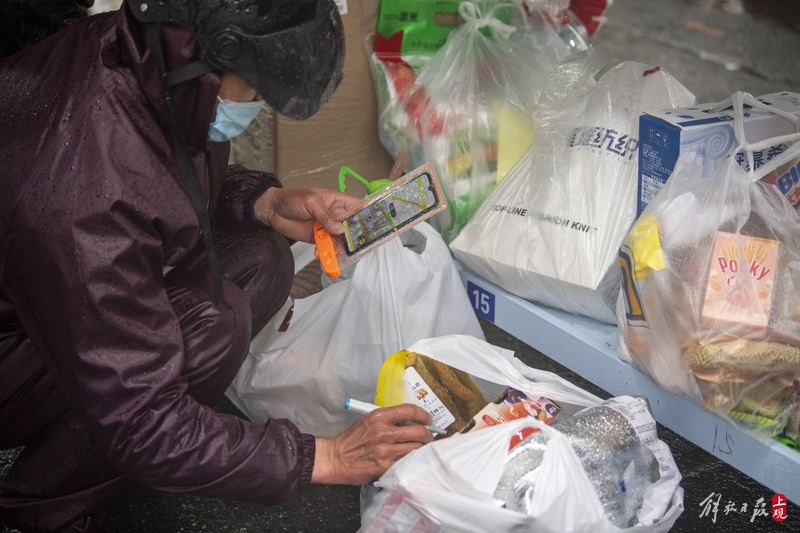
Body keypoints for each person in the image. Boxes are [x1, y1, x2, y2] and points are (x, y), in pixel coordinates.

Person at [0, 1, 434, 531]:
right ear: (211, 57)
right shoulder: (81, 187)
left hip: (45, 289)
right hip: (16, 341)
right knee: (215, 323)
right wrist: (327, 457)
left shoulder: (140, 52)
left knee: (261, 258)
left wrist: (266, 202)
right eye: (251, 91)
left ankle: (128, 448)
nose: (252, 105)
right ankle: (45, 503)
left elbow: (154, 176)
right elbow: (145, 421)